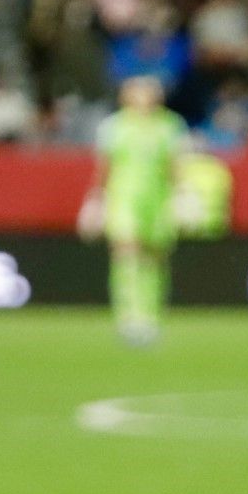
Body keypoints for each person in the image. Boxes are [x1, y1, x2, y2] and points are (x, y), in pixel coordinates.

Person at [89, 76, 188, 345]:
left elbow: (174, 164)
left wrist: (182, 197)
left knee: (155, 257)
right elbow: (104, 167)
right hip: (124, 198)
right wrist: (96, 200)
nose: (144, 98)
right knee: (126, 253)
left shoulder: (170, 126)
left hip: (158, 200)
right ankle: (128, 316)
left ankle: (151, 314)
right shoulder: (114, 127)